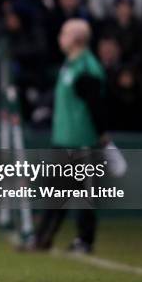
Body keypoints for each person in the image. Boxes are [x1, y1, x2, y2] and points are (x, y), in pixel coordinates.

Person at [35, 19, 107, 253]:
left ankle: (84, 241)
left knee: (83, 195)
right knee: (57, 192)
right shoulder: (70, 64)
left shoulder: (86, 68)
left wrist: (101, 134)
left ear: (76, 38)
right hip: (64, 138)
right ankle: (42, 238)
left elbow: (96, 105)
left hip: (81, 140)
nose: (60, 37)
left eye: (64, 33)